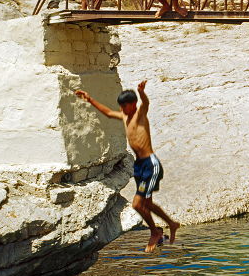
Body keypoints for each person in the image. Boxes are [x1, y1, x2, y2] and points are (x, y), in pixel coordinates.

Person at [75, 80, 179, 252]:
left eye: (125, 106)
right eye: (121, 107)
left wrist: (141, 92)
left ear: (133, 104)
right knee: (147, 204)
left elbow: (146, 103)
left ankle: (155, 232)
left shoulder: (140, 115)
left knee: (138, 204)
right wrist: (89, 99)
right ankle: (170, 224)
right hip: (139, 165)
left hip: (150, 165)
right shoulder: (124, 116)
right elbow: (108, 112)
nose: (122, 110)